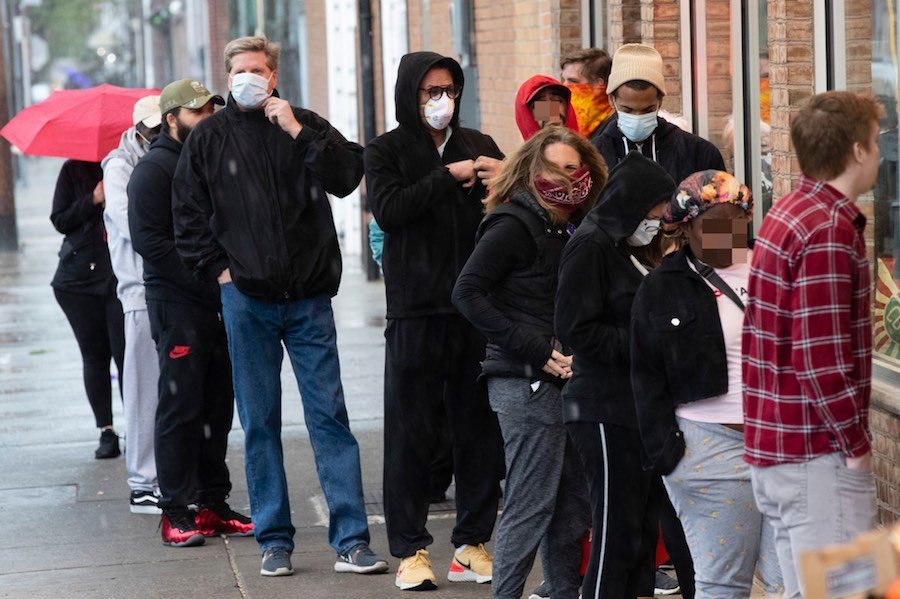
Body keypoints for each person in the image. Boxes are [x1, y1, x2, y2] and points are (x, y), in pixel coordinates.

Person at [172, 36, 387, 576]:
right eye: (239, 69)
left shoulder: (303, 123)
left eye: (258, 69)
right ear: (226, 77)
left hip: (309, 297)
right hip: (247, 300)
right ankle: (274, 540)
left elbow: (348, 176)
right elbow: (187, 215)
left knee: (329, 418)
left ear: (273, 76)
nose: (248, 77)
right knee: (260, 422)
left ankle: (352, 540)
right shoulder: (209, 138)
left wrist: (295, 129)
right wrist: (222, 272)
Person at [364, 51, 505, 592]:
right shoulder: (386, 150)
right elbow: (391, 210)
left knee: (477, 429)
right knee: (410, 431)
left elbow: (510, 206)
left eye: (447, 89)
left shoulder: (480, 146)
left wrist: (495, 181)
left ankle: (472, 543)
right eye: (429, 91)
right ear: (409, 95)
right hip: (415, 308)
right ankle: (409, 550)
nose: (440, 100)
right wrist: (448, 177)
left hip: (474, 309)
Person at [453, 126, 602, 599]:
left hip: (565, 383)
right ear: (532, 171)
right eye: (554, 168)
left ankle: (562, 590)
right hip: (525, 383)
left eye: (574, 169)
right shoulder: (513, 224)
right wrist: (537, 351)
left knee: (572, 503)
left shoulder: (571, 224)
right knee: (532, 500)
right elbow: (467, 292)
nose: (565, 178)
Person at [743, 91, 880, 599]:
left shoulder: (791, 211)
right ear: (858, 150)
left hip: (783, 451)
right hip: (816, 456)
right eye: (875, 139)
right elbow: (819, 359)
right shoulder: (826, 228)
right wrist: (857, 445)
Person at [631, 170, 784, 598]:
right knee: (723, 582)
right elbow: (646, 376)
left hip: (783, 447)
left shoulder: (774, 270)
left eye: (736, 220)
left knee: (794, 578)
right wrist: (668, 453)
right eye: (712, 224)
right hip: (709, 450)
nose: (727, 232)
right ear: (687, 226)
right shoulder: (663, 287)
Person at [129, 78, 253, 548]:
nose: (207, 118)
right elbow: (151, 243)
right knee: (180, 407)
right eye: (197, 112)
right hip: (179, 304)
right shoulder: (153, 171)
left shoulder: (205, 161)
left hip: (216, 302)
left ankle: (211, 504)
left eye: (210, 110)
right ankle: (175, 510)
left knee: (216, 405)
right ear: (171, 119)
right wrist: (207, 277)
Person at [555, 151, 675, 599]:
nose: (659, 220)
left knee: (641, 531)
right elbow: (574, 328)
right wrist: (644, 346)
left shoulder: (626, 245)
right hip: (603, 408)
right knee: (615, 530)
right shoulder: (591, 245)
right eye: (654, 210)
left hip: (634, 407)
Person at [101, 95, 163, 513]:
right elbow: (134, 224)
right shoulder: (120, 167)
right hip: (140, 290)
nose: (158, 135)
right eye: (153, 129)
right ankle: (143, 481)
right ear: (139, 128)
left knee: (173, 390)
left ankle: (166, 475)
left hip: (169, 287)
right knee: (143, 388)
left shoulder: (161, 160)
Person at [50, 159, 125, 460]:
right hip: (77, 282)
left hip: (119, 280)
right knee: (94, 356)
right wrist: (93, 199)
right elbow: (60, 220)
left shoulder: (125, 165)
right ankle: (106, 431)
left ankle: (141, 428)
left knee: (126, 356)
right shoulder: (73, 169)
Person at [594, 44, 725, 185]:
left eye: (647, 110)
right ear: (611, 100)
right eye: (628, 110)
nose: (637, 117)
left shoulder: (698, 153)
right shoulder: (593, 157)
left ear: (660, 100)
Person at [560, 48, 614, 140]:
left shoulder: (615, 126)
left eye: (573, 81)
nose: (564, 86)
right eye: (564, 80)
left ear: (598, 85)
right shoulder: (561, 111)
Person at [515, 75, 580, 140]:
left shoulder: (584, 148)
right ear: (526, 115)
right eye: (541, 104)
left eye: (557, 100)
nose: (551, 111)